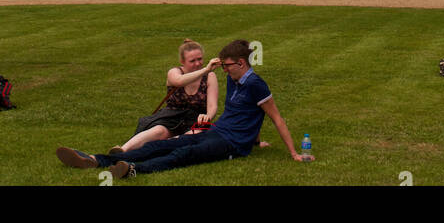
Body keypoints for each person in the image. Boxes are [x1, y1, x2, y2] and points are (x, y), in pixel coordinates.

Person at [57, 38, 305, 177]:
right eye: (193, 60)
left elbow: (274, 117)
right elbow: (246, 112)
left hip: (230, 143)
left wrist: (293, 153)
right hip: (214, 131)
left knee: (182, 155)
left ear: (241, 63)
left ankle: (132, 169)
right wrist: (256, 140)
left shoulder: (255, 84)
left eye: (228, 65)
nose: (224, 69)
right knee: (161, 144)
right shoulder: (232, 77)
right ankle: (95, 160)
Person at [61, 41, 220, 162]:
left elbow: (212, 106)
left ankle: (155, 151)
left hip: (197, 118)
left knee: (194, 133)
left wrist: (207, 116)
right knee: (159, 131)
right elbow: (179, 82)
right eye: (192, 61)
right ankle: (122, 150)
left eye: (200, 59)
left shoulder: (210, 77)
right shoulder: (174, 72)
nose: (198, 63)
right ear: (182, 61)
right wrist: (205, 69)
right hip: (172, 115)